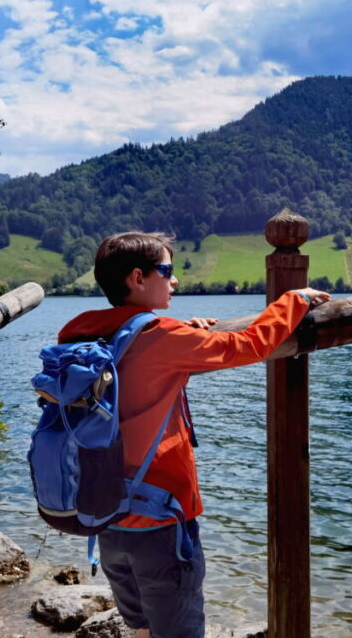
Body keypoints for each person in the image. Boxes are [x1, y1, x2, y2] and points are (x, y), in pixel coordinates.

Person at [57, 232, 330, 638]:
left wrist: (186, 332)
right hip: (160, 520)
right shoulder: (163, 336)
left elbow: (134, 364)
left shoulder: (78, 335)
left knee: (141, 629)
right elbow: (249, 344)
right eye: (167, 271)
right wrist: (294, 300)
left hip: (105, 515)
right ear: (137, 277)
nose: (176, 281)